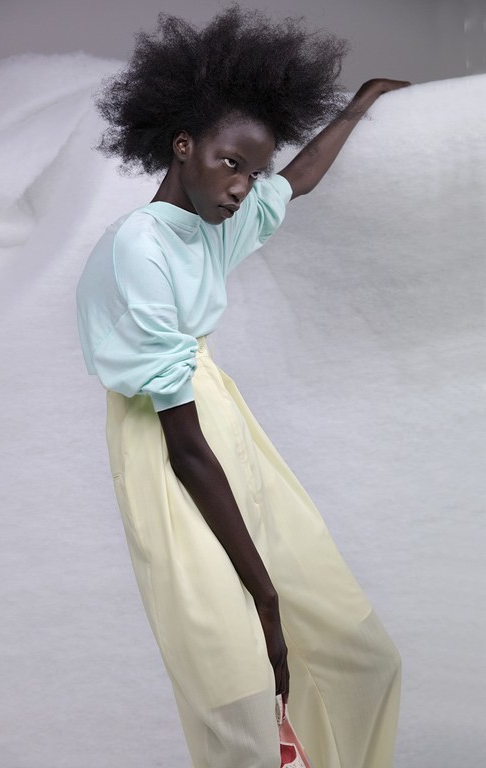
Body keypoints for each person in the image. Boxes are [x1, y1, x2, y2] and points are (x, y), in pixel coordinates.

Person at [76, 6, 409, 767]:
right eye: (230, 163)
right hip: (169, 449)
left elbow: (296, 181)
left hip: (222, 422)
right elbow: (184, 449)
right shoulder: (138, 248)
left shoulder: (213, 226)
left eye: (249, 172)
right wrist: (266, 603)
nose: (240, 187)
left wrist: (356, 105)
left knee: (363, 658)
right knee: (240, 700)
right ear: (182, 145)